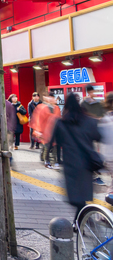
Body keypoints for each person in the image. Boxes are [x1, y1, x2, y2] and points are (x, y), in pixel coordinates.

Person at [50, 92, 101, 224]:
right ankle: (82, 221)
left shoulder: (61, 122)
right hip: (86, 163)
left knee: (75, 197)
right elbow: (97, 136)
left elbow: (55, 142)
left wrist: (56, 160)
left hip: (71, 163)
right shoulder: (89, 121)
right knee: (83, 195)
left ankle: (80, 221)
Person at [31, 95, 61, 169]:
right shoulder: (42, 107)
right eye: (50, 98)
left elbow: (59, 118)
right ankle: (47, 161)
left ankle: (55, 162)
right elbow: (38, 120)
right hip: (45, 130)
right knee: (47, 146)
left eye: (53, 98)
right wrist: (38, 131)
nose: (51, 100)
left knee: (55, 146)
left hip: (55, 130)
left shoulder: (56, 108)